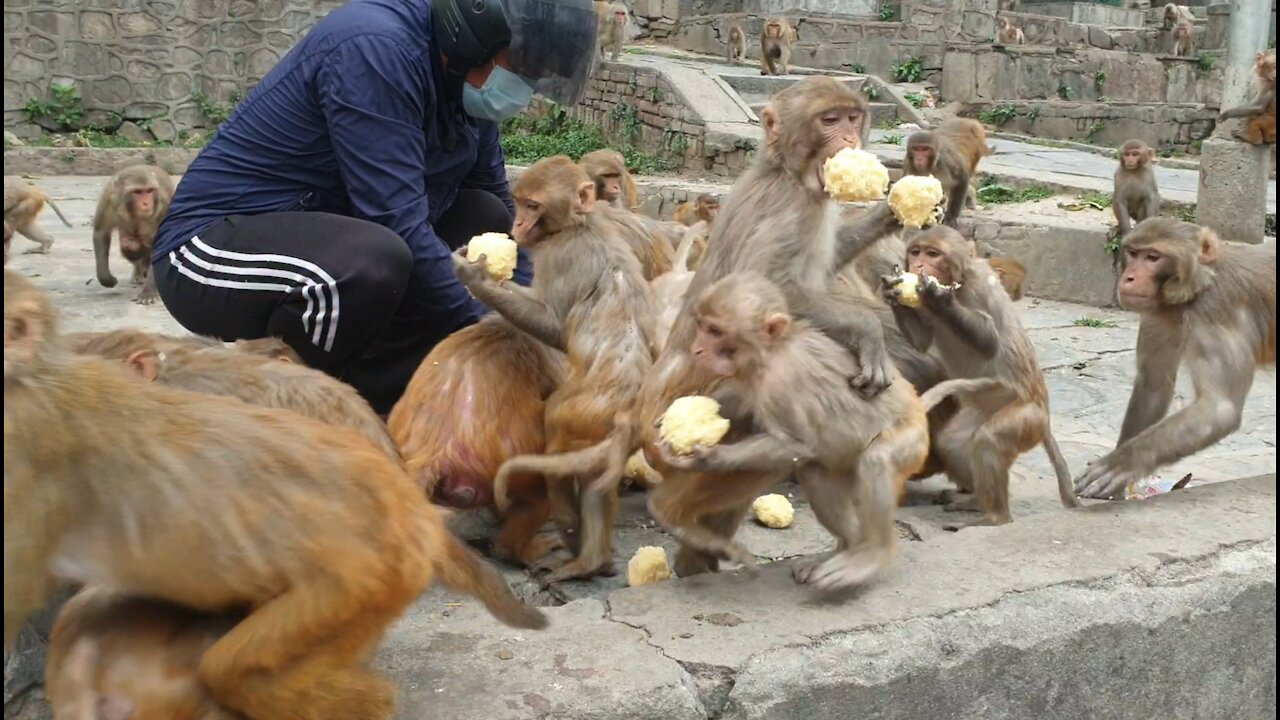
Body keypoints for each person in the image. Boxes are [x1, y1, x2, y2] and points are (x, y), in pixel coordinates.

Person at [153, 0, 598, 414]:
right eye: (519, 68)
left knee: (483, 216)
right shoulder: (374, 49)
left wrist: (540, 316)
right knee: (372, 263)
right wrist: (502, 331)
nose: (520, 88)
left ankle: (386, 393)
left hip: (339, 235)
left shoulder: (461, 84)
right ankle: (315, 407)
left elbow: (498, 207)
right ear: (475, 30)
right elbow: (397, 222)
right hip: (209, 248)